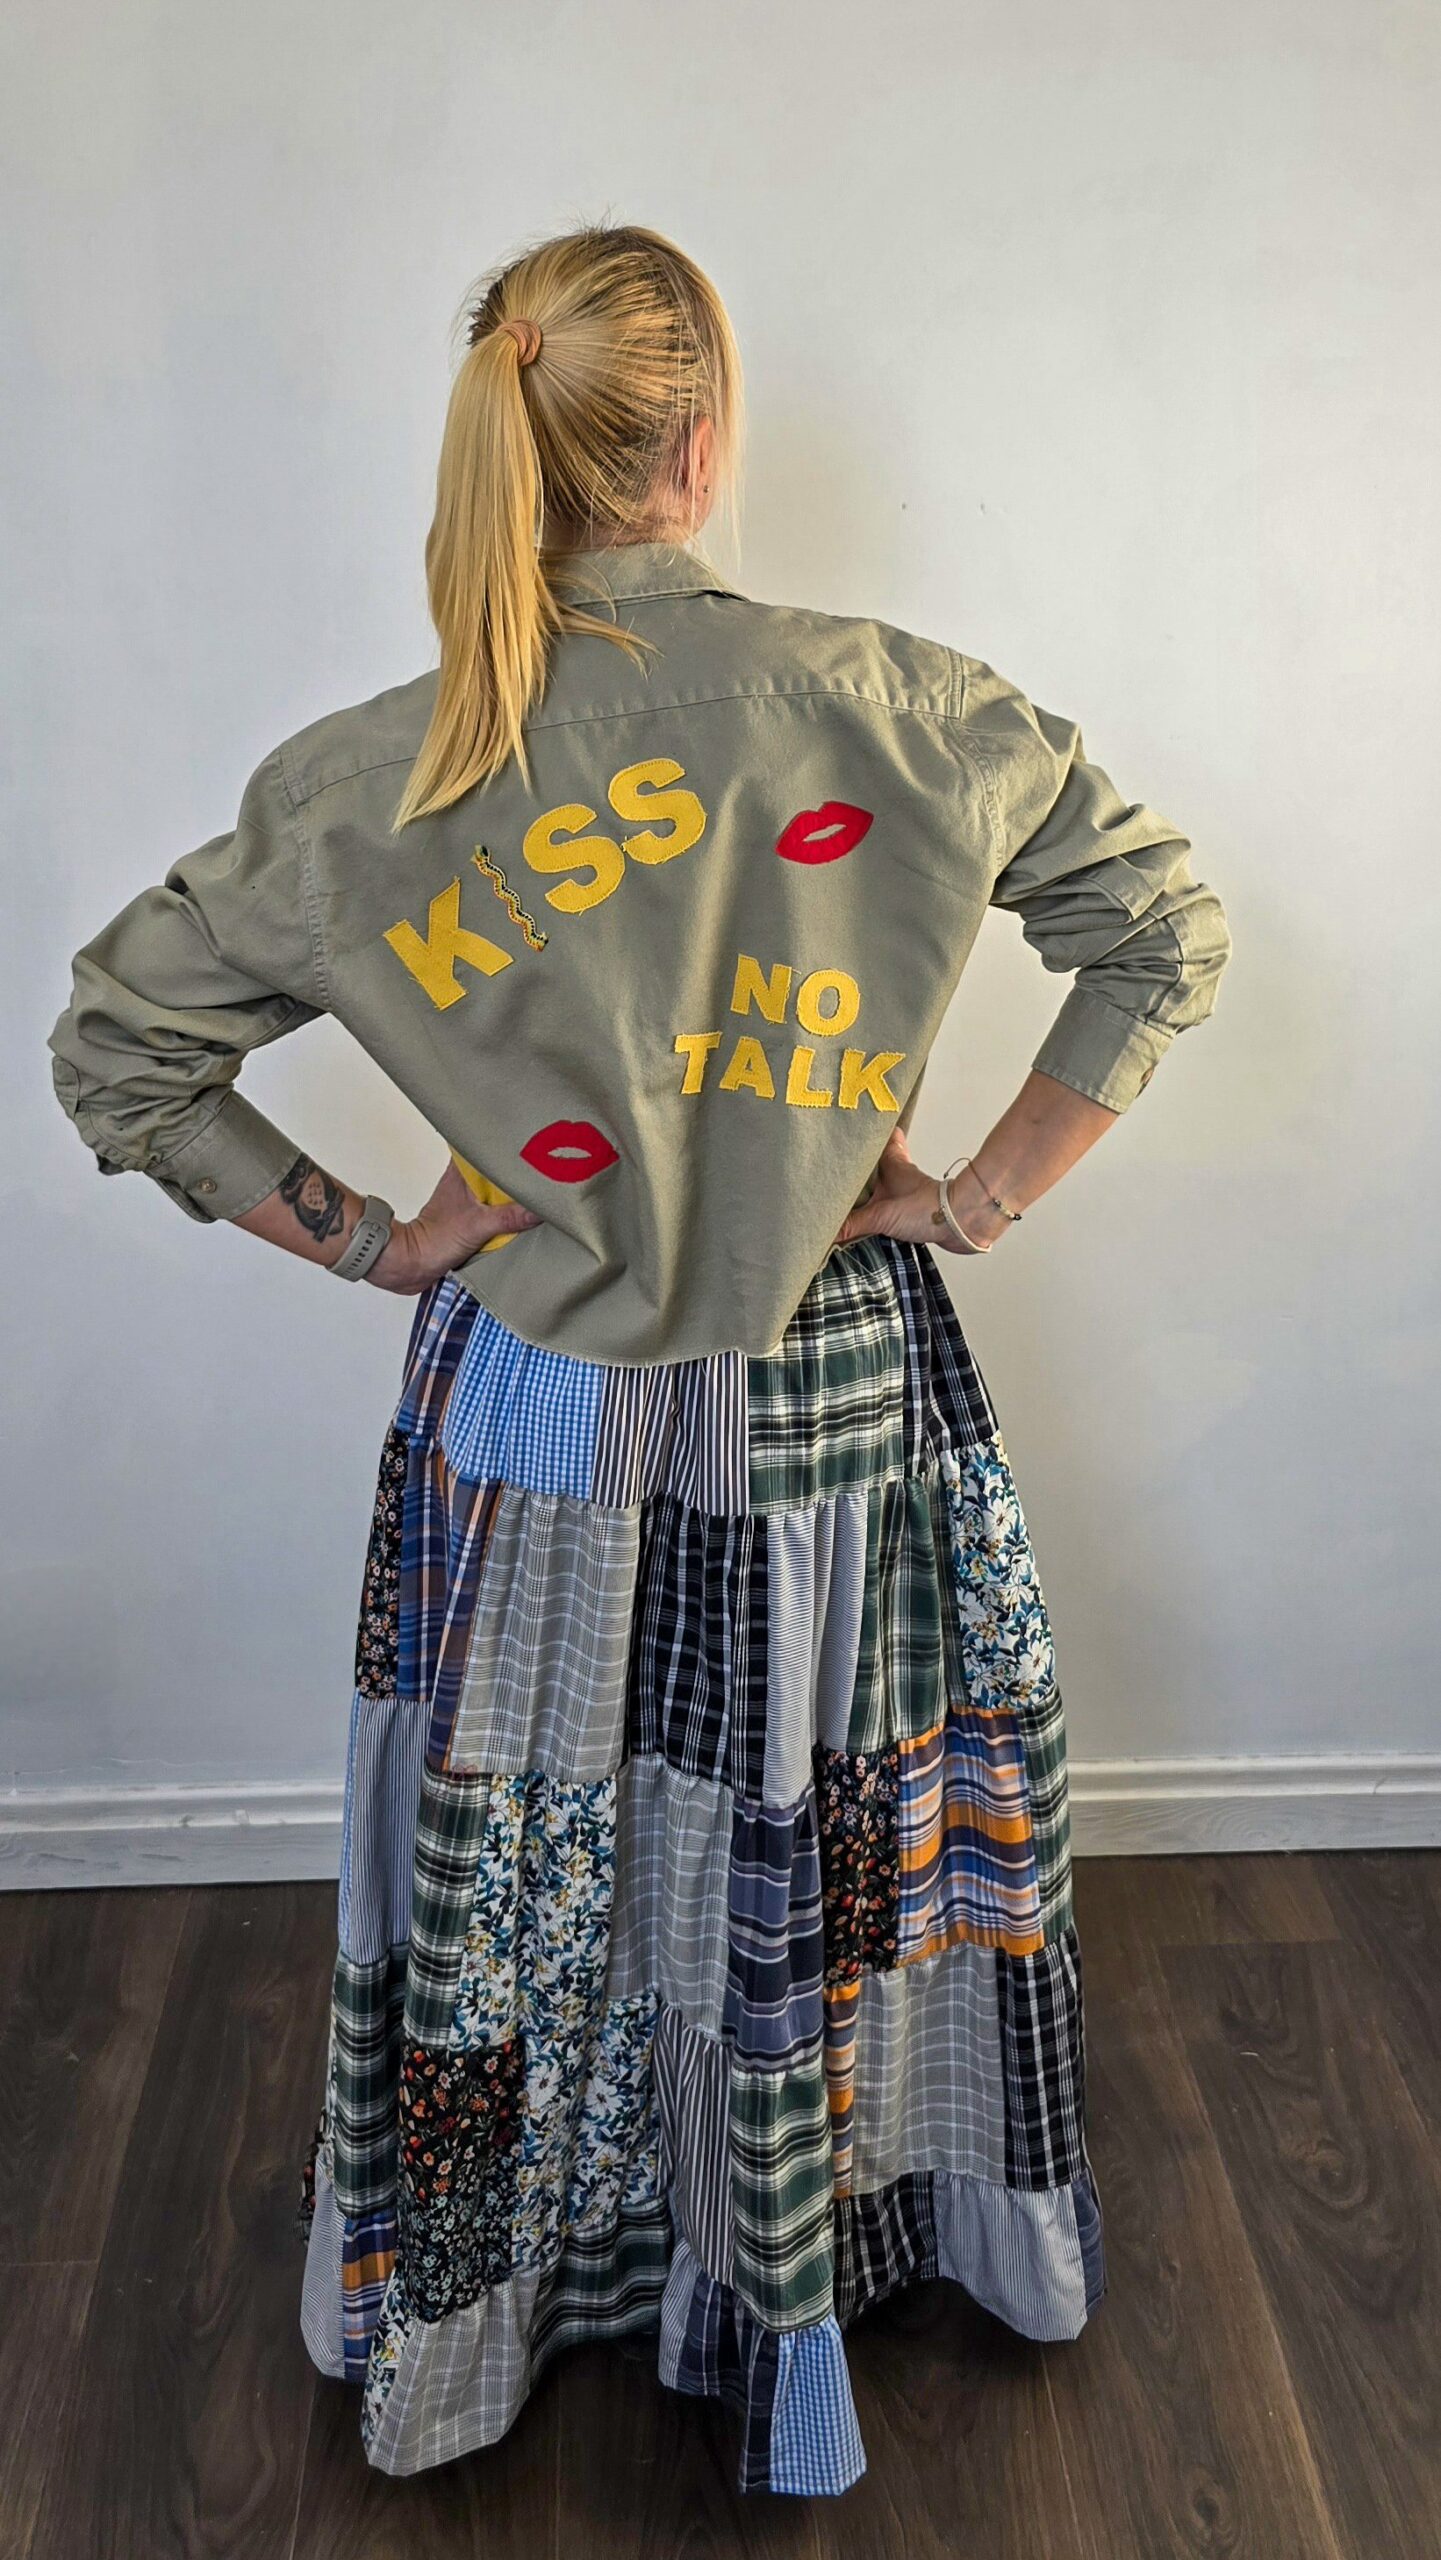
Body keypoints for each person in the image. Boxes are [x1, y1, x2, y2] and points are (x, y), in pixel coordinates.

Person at [47, 220, 1232, 2495]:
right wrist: (973, 1194)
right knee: (828, 1845)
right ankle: (798, 2277)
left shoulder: (375, 774)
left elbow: (121, 1050)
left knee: (519, 1883)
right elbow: (1157, 928)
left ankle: (493, 2305)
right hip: (831, 1403)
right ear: (700, 442)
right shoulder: (897, 703)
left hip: (536, 1411)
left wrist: (380, 1241)